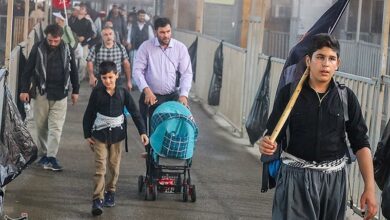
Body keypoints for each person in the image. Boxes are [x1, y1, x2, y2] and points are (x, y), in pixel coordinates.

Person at [258, 33, 377, 220]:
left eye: (331, 58)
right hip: (295, 180)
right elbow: (272, 135)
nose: (326, 64)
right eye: (320, 57)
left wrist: (369, 187)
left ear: (338, 63)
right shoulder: (289, 94)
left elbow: (361, 144)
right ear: (308, 60)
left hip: (334, 184)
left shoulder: (346, 98)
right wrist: (266, 143)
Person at [83, 61, 148, 216]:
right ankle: (97, 199)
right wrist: (87, 134)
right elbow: (89, 114)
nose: (108, 81)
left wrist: (142, 132)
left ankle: (110, 191)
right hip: (99, 135)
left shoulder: (123, 92)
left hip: (117, 136)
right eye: (104, 78)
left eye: (111, 77)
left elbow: (135, 112)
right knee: (100, 168)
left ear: (117, 75)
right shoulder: (97, 93)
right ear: (100, 77)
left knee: (114, 166)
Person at [19, 24, 79, 171]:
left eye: (56, 41)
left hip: (61, 93)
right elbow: (27, 70)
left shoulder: (67, 49)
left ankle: (52, 156)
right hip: (42, 92)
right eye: (50, 40)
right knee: (41, 126)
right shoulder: (38, 48)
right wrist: (24, 90)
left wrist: (75, 90)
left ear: (60, 38)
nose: (53, 43)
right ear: (46, 36)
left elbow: (74, 71)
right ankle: (44, 153)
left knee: (56, 127)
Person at [133, 17, 193, 125]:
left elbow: (186, 73)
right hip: (152, 97)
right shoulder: (146, 47)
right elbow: (137, 71)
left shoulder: (180, 48)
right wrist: (146, 90)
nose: (166, 35)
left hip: (172, 97)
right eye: (162, 32)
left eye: (168, 31)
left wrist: (184, 95)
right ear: (155, 32)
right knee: (151, 133)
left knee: (172, 133)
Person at [86, 26, 132, 91]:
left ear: (114, 36)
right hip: (100, 79)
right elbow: (89, 62)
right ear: (102, 37)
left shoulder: (121, 48)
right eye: (106, 35)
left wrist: (129, 81)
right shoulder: (96, 48)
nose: (108, 37)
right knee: (99, 100)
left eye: (110, 34)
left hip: (116, 79)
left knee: (118, 100)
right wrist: (91, 76)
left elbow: (126, 64)